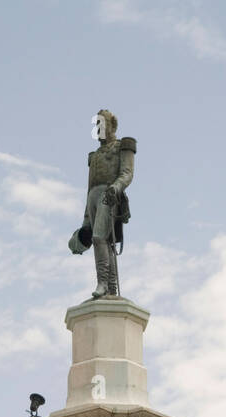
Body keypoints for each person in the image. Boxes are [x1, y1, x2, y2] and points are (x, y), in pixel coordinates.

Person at [70, 109, 136, 299]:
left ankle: (103, 283)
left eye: (102, 124)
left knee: (99, 237)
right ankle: (111, 288)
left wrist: (116, 188)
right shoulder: (95, 155)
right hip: (94, 196)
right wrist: (85, 220)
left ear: (112, 125)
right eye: (96, 125)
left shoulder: (123, 145)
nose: (99, 128)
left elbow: (127, 173)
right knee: (105, 243)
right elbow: (89, 186)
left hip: (109, 194)